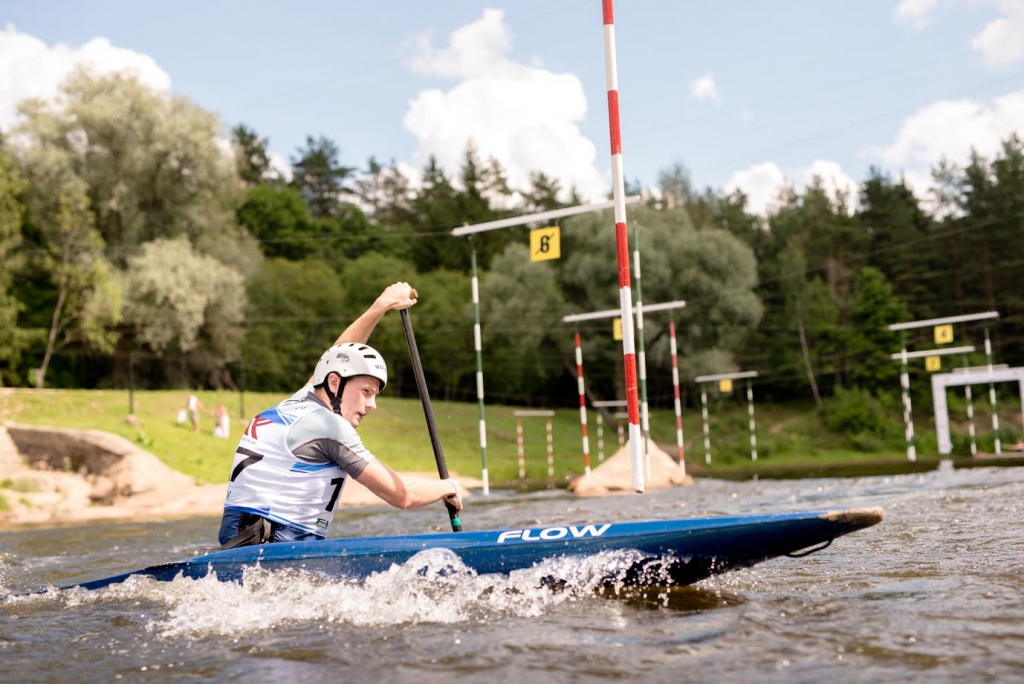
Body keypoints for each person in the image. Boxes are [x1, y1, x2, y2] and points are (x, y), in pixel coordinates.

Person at [217, 281, 465, 547]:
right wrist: (449, 486)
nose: (372, 405)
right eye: (367, 391)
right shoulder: (328, 427)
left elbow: (338, 354)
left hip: (240, 546)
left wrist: (382, 305)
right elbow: (403, 495)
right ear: (334, 384)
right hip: (275, 555)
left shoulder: (296, 404)